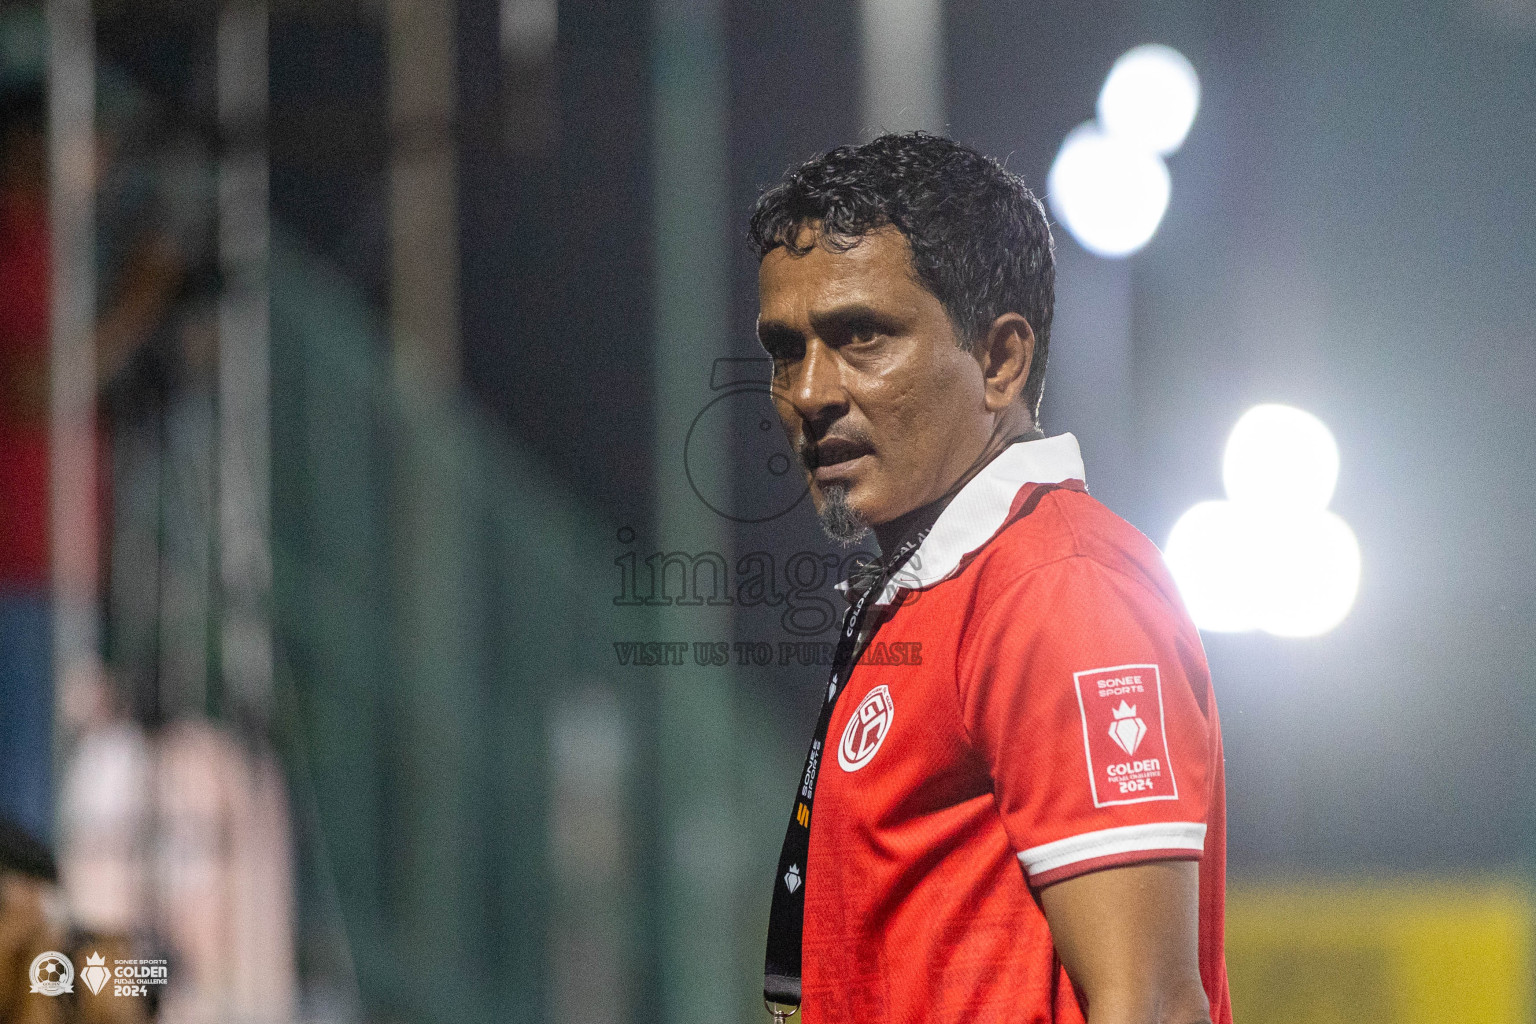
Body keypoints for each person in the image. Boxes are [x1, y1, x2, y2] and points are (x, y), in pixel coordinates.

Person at [752, 133, 1230, 1024]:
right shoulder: (936, 590)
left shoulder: (1060, 587)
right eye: (787, 349)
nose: (811, 391)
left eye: (862, 336)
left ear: (1002, 361)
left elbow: (1154, 1004)